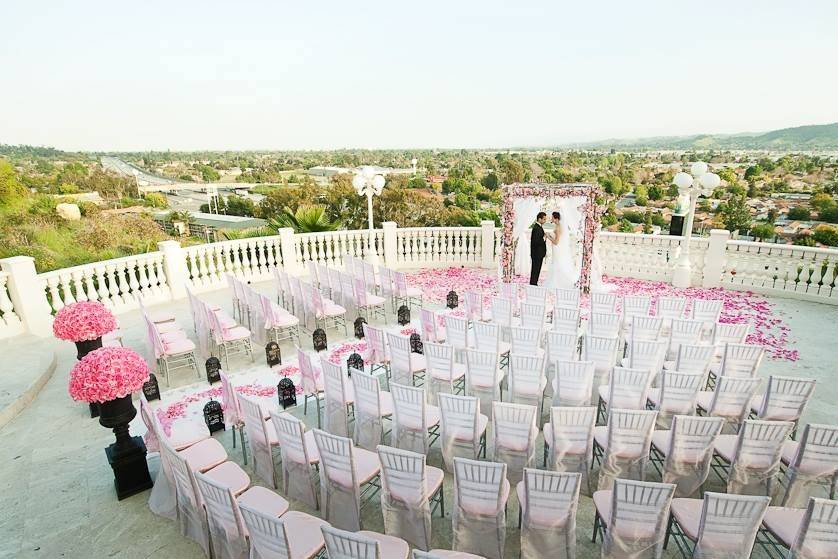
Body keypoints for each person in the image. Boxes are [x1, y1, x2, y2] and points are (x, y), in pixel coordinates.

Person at [544, 211, 578, 289]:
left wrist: (548, 236)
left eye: (552, 217)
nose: (551, 218)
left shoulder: (558, 228)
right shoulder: (557, 226)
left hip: (557, 249)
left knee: (558, 263)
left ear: (556, 218)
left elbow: (556, 242)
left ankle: (558, 282)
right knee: (556, 263)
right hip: (556, 249)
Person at [529, 212, 547, 285]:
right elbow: (536, 242)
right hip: (537, 253)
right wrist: (544, 238)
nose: (545, 221)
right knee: (535, 269)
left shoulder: (538, 227)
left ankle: (534, 282)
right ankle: (533, 283)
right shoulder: (536, 228)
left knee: (536, 269)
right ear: (539, 219)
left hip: (538, 253)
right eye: (544, 219)